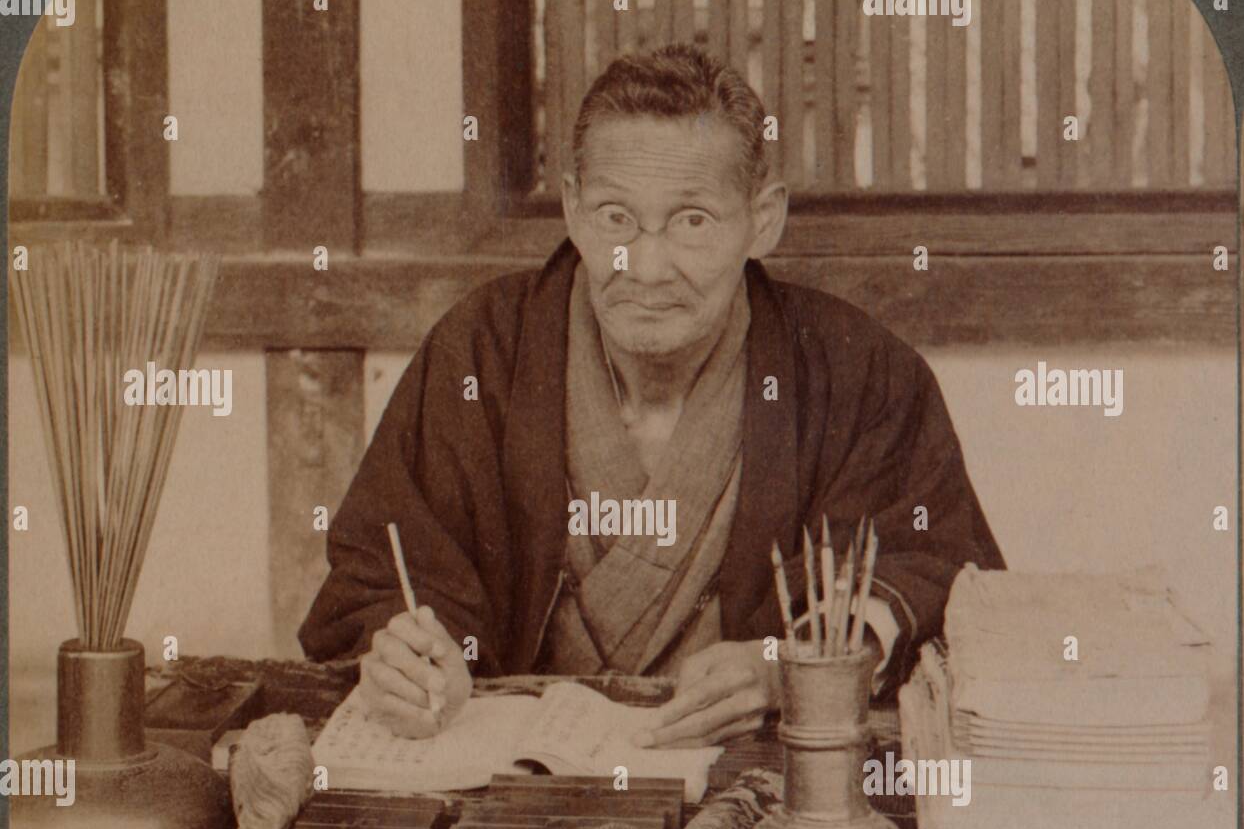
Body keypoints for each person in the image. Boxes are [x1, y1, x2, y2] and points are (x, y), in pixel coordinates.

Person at [299, 44, 1004, 747]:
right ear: (573, 208)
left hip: (755, 787)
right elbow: (381, 568)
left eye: (693, 221)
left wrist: (789, 668)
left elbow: (946, 573)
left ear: (763, 220)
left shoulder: (858, 374)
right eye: (616, 219)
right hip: (518, 791)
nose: (648, 267)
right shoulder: (483, 352)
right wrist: (411, 660)